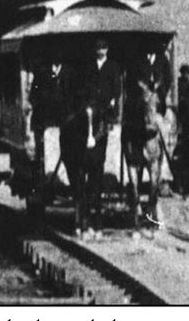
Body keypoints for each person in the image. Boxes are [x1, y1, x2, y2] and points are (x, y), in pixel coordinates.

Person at [77, 39, 121, 234]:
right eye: (98, 48)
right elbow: (85, 86)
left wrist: (112, 101)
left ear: (107, 50)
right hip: (92, 107)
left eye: (103, 48)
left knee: (105, 129)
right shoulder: (89, 67)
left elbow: (117, 88)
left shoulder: (112, 67)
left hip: (106, 108)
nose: (101, 51)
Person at [29, 56, 74, 203]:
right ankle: (44, 182)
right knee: (43, 155)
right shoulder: (42, 72)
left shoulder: (69, 71)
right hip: (47, 121)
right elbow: (33, 96)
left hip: (66, 120)